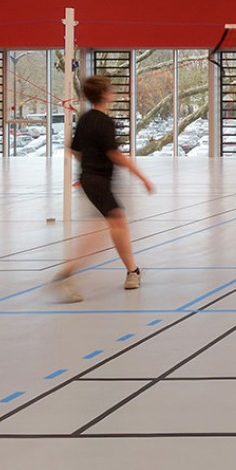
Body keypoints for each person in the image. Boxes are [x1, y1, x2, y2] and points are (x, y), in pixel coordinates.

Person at [53, 76, 154, 302]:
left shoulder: (86, 119)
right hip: (98, 182)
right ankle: (66, 274)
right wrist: (142, 177)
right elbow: (115, 155)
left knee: (116, 224)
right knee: (100, 235)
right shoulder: (103, 121)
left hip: (91, 180)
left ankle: (132, 272)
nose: (113, 92)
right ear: (105, 94)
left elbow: (74, 150)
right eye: (110, 89)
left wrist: (88, 168)